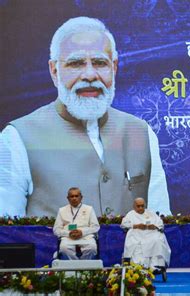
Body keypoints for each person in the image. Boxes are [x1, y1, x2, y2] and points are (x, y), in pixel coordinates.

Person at [0, 16, 170, 217]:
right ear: (54, 71)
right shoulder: (16, 138)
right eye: (76, 63)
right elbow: (7, 236)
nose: (89, 75)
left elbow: (162, 223)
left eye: (99, 63)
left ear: (114, 68)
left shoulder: (140, 132)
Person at [121, 197, 171, 269]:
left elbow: (160, 224)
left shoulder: (151, 213)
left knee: (158, 240)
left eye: (142, 206)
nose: (141, 208)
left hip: (151, 234)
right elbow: (123, 224)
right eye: (138, 206)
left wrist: (155, 226)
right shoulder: (130, 214)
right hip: (137, 235)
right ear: (134, 206)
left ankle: (156, 266)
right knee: (138, 245)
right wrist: (136, 226)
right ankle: (142, 266)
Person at [53, 187, 100, 260]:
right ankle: (74, 267)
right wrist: (68, 233)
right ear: (68, 198)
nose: (74, 198)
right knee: (64, 248)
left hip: (85, 236)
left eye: (76, 196)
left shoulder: (89, 209)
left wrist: (82, 232)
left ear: (81, 197)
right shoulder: (62, 210)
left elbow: (96, 227)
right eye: (72, 196)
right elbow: (56, 229)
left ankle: (84, 268)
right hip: (68, 237)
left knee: (92, 248)